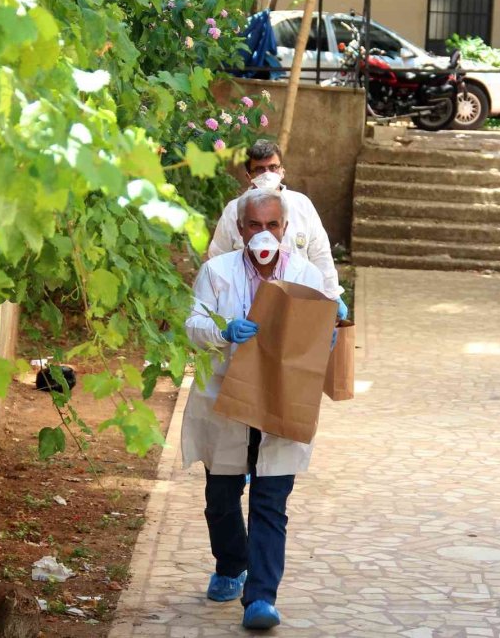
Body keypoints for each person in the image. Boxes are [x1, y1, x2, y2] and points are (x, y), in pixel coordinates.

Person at [183, 188, 331, 630]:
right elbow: (193, 324)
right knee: (221, 499)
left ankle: (261, 597)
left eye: (272, 225)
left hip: (280, 402)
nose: (263, 234)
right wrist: (223, 331)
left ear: (284, 229)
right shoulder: (216, 272)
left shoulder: (306, 275)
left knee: (271, 501)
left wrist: (328, 331)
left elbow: (317, 337)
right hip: (226, 399)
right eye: (254, 225)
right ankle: (232, 565)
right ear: (240, 229)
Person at [207, 139, 349, 320]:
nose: (267, 174)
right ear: (249, 176)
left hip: (297, 302)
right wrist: (214, 305)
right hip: (246, 305)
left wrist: (332, 294)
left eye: (273, 167)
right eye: (260, 169)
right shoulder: (234, 211)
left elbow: (320, 254)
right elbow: (217, 258)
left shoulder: (302, 206)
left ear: (282, 171)